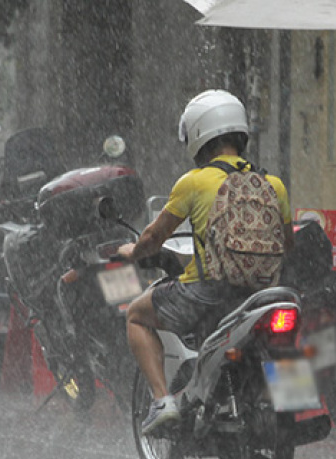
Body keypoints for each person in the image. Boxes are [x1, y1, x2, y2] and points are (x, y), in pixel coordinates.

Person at [116, 89, 293, 435]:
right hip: (262, 294)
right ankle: (294, 402)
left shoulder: (194, 182)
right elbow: (287, 244)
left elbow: (154, 238)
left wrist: (132, 252)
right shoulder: (274, 184)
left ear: (198, 134)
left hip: (207, 293)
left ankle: (163, 401)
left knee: (135, 314)